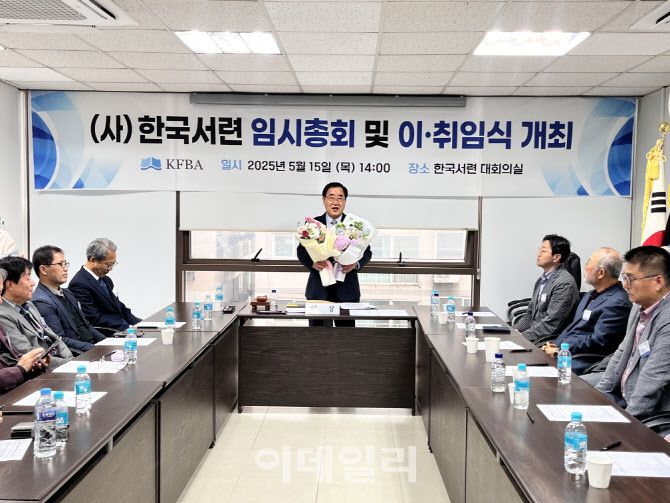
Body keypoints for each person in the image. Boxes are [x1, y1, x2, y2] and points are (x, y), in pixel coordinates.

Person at [595, 246, 670, 417]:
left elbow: (653, 380)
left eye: (630, 278)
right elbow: (622, 352)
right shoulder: (638, 306)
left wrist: (625, 421)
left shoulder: (667, 319)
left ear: (658, 282)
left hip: (651, 413)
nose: (625, 285)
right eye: (624, 277)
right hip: (621, 394)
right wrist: (598, 395)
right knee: (576, 394)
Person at [541, 248, 632, 374]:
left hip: (581, 360)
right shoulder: (590, 295)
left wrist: (560, 350)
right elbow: (572, 327)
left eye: (588, 262)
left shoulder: (618, 303)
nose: (585, 267)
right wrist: (554, 345)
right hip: (564, 353)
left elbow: (598, 342)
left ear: (601, 273)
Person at [297, 182, 372, 303]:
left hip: (347, 290)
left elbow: (366, 251)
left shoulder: (353, 224)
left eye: (340, 198)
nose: (336, 202)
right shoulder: (313, 224)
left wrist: (355, 264)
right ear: (324, 200)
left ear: (345, 201)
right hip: (318, 289)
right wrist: (312, 263)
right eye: (331, 197)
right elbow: (301, 250)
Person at [0, 257, 72, 367]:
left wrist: (71, 359)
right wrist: (68, 364)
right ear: (10, 285)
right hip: (42, 369)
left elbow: (55, 338)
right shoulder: (3, 315)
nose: (33, 283)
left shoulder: (29, 305)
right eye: (27, 278)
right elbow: (28, 354)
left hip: (62, 362)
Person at [32, 245, 106, 349]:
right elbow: (59, 340)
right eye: (60, 264)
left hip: (92, 347)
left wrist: (107, 342)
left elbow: (87, 326)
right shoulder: (42, 301)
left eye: (65, 263)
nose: (65, 268)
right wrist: (95, 348)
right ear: (43, 269)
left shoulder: (68, 293)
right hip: (78, 353)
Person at [513, 234, 580, 343]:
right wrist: (512, 331)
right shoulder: (541, 280)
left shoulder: (564, 284)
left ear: (556, 257)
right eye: (539, 250)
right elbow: (530, 315)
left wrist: (521, 338)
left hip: (548, 341)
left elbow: (550, 325)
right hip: (533, 336)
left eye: (543, 251)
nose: (538, 254)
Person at [69, 238, 141, 332]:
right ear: (93, 260)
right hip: (107, 333)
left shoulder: (106, 280)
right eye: (108, 265)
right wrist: (128, 328)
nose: (110, 269)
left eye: (113, 264)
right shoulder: (79, 284)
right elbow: (94, 319)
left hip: (121, 329)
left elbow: (120, 308)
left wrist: (141, 324)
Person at [0, 267, 49, 393]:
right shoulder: (3, 315)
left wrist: (32, 365)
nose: (1, 301)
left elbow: (12, 355)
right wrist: (21, 369)